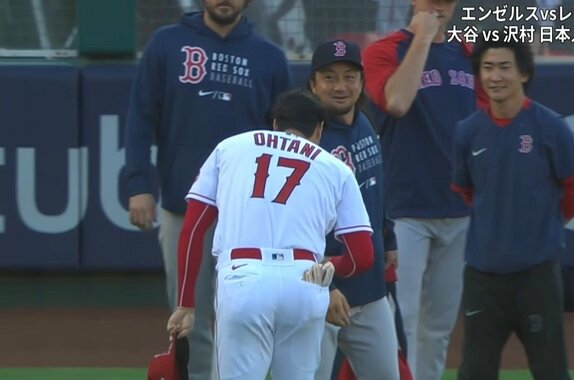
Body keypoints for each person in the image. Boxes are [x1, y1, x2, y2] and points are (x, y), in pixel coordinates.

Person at [124, 1, 290, 379]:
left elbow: (283, 143)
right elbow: (140, 118)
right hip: (183, 206)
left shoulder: (269, 57)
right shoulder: (166, 44)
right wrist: (139, 184)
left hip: (247, 216)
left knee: (244, 318)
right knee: (189, 319)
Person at [165, 90, 376, 380]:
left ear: (275, 124)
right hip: (304, 280)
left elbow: (192, 229)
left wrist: (186, 304)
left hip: (243, 278)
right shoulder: (336, 168)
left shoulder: (231, 147)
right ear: (319, 130)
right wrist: (330, 268)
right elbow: (362, 256)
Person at [451, 38, 574, 380]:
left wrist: (542, 226)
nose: (495, 76)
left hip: (537, 278)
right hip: (482, 278)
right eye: (487, 68)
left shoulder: (551, 127)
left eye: (504, 67)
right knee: (474, 372)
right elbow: (467, 191)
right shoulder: (468, 132)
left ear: (524, 73)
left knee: (551, 371)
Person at [362, 1, 486, 378]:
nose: (439, 5)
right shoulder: (383, 50)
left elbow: (485, 123)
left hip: (459, 208)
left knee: (440, 327)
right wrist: (423, 38)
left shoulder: (469, 52)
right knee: (404, 320)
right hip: (404, 210)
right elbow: (397, 101)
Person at [306, 39, 400, 380]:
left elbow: (376, 189)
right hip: (319, 294)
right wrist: (325, 288)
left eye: (349, 76)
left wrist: (388, 238)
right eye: (329, 77)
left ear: (361, 82)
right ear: (313, 84)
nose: (340, 86)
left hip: (370, 290)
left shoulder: (364, 123)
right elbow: (295, 223)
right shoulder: (307, 139)